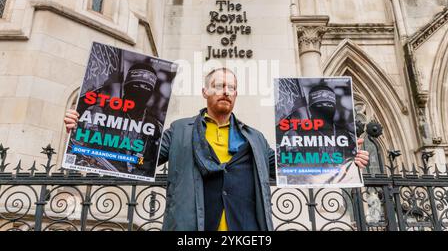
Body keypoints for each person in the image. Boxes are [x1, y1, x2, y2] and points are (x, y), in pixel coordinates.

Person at [64, 68, 370, 231]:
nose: (226, 91)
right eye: (219, 85)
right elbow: (139, 154)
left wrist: (346, 157)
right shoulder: (180, 131)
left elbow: (292, 164)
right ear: (205, 92)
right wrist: (85, 129)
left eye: (232, 87)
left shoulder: (256, 139)